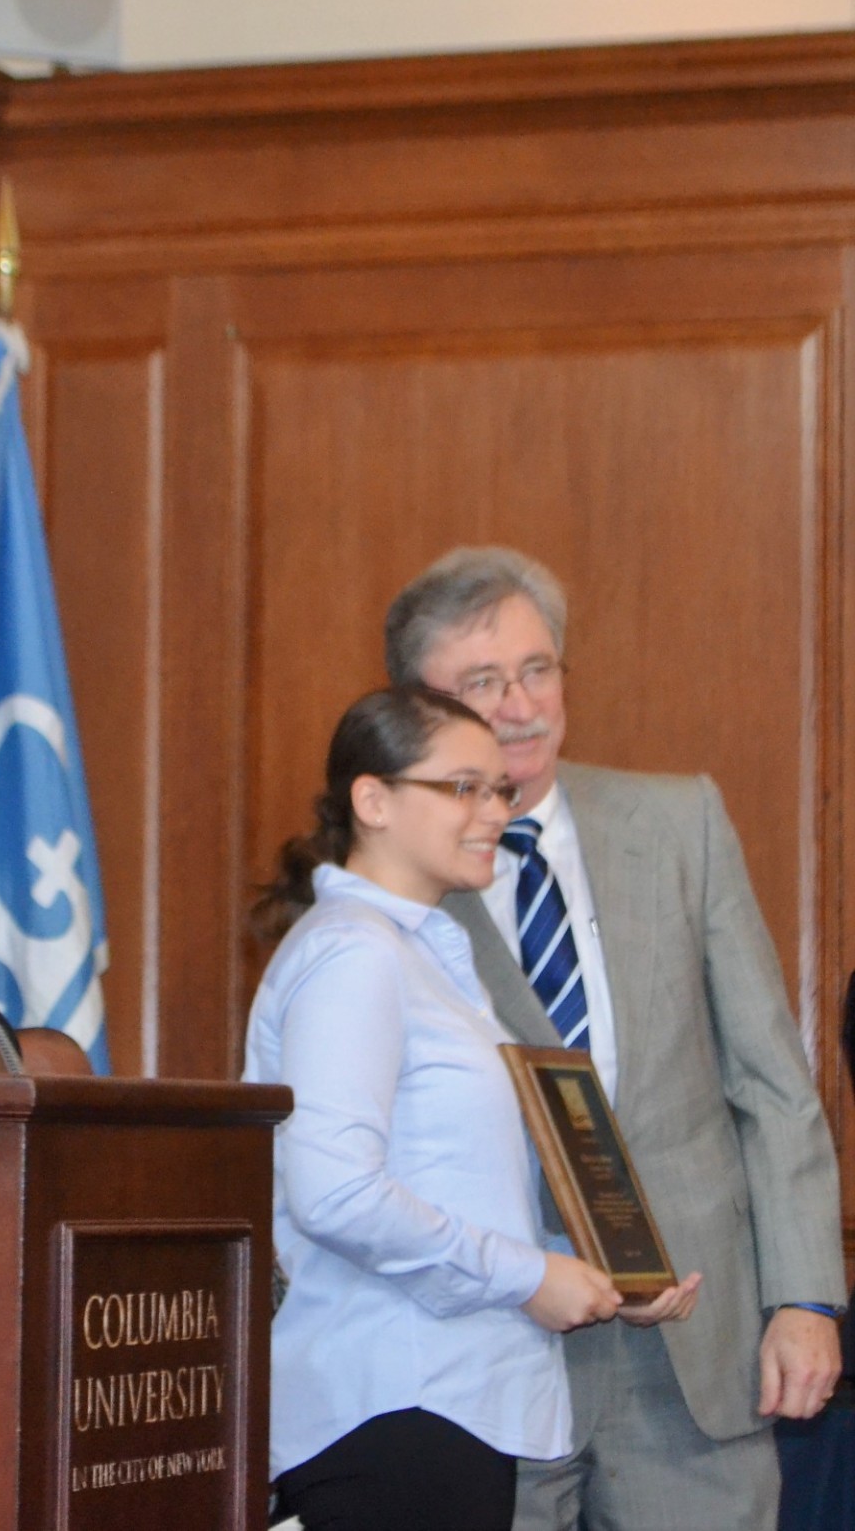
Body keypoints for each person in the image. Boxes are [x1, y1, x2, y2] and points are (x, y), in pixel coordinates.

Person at [385, 546, 844, 1531]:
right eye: (481, 680)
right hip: (492, 1359)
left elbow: (773, 1085)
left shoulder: (683, 823)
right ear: (415, 705)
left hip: (691, 1362)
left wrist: (807, 1298)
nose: (519, 704)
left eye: (537, 669)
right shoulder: (387, 883)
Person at [246, 686, 660, 1531]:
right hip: (394, 1405)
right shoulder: (354, 955)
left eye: (501, 791)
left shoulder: (420, 955)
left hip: (440, 1406)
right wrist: (530, 1275)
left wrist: (594, 1271)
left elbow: (455, 1187)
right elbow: (336, 1195)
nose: (493, 814)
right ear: (374, 800)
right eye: (463, 788)